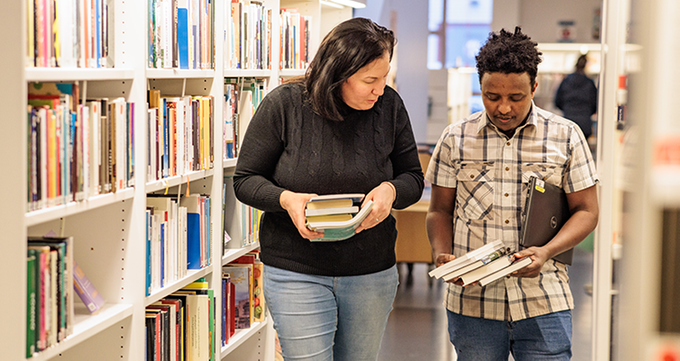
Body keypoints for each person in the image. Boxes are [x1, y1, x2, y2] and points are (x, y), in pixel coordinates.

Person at [233, 18, 424, 361]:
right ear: (339, 73)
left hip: (370, 271)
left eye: (384, 77)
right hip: (296, 270)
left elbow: (412, 177)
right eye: (370, 80)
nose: (380, 89)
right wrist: (287, 200)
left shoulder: (389, 107)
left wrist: (390, 191)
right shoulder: (284, 105)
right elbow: (245, 180)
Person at [426, 27, 599, 360]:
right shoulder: (455, 139)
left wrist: (547, 252)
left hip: (544, 299)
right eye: (492, 96)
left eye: (516, 98)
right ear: (480, 88)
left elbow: (587, 211)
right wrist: (442, 252)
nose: (503, 108)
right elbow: (439, 211)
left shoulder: (566, 136)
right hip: (473, 304)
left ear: (534, 87)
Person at [555, 54, 598, 139]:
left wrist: (568, 109)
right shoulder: (589, 83)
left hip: (568, 121)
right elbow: (595, 104)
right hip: (584, 123)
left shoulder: (566, 81)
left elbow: (557, 101)